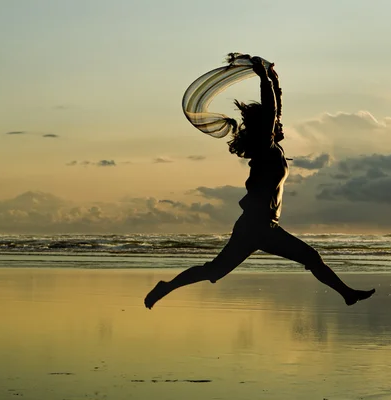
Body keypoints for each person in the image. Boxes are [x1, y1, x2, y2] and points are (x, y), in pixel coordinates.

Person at [144, 58, 375, 309]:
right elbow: (271, 111)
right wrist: (264, 79)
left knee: (302, 259)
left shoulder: (271, 147)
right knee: (216, 271)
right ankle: (166, 287)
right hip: (256, 227)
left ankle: (347, 295)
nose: (278, 125)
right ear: (265, 127)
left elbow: (276, 111)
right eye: (273, 123)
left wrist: (274, 80)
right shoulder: (265, 149)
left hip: (264, 227)